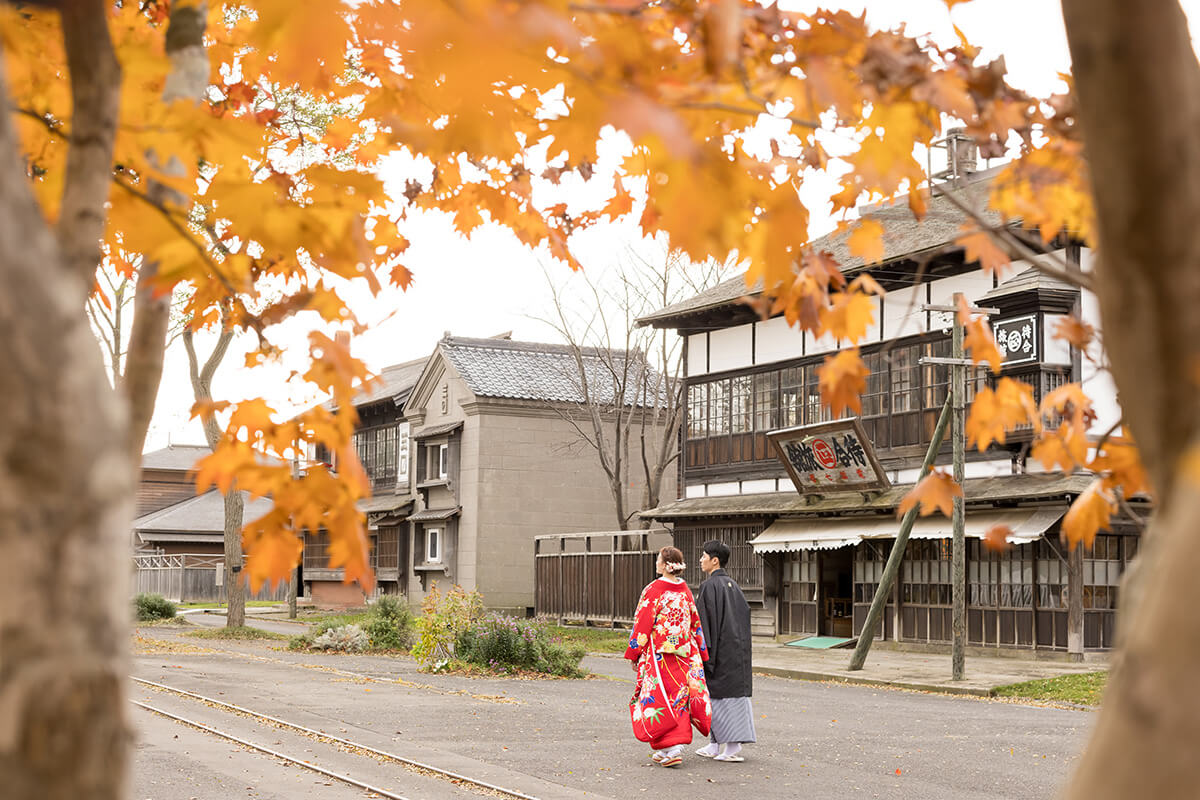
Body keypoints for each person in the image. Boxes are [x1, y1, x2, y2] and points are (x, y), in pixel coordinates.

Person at [624, 546, 712, 768]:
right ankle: (665, 748)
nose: (656, 563)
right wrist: (701, 651)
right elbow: (695, 623)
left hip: (659, 654)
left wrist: (635, 652)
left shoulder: (654, 589)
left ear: (665, 564)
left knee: (658, 696)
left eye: (658, 560)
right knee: (679, 696)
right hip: (683, 652)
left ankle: (672, 748)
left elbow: (643, 623)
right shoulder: (685, 590)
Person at [693, 540, 756, 763]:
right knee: (729, 697)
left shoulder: (709, 586)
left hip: (719, 651)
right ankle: (714, 744)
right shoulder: (733, 585)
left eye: (703, 556)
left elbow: (703, 624)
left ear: (715, 560)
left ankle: (730, 747)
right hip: (736, 651)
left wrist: (702, 652)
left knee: (721, 698)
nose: (701, 560)